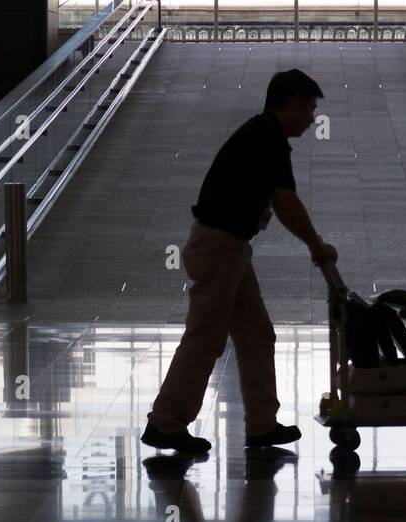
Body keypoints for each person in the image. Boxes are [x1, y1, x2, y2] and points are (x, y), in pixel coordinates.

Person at [142, 68, 338, 458]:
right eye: (309, 109)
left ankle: (262, 424)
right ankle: (166, 421)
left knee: (256, 335)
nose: (312, 118)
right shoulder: (267, 138)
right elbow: (286, 202)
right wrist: (317, 246)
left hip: (230, 249)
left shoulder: (262, 135)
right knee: (205, 337)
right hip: (219, 247)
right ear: (292, 104)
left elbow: (274, 201)